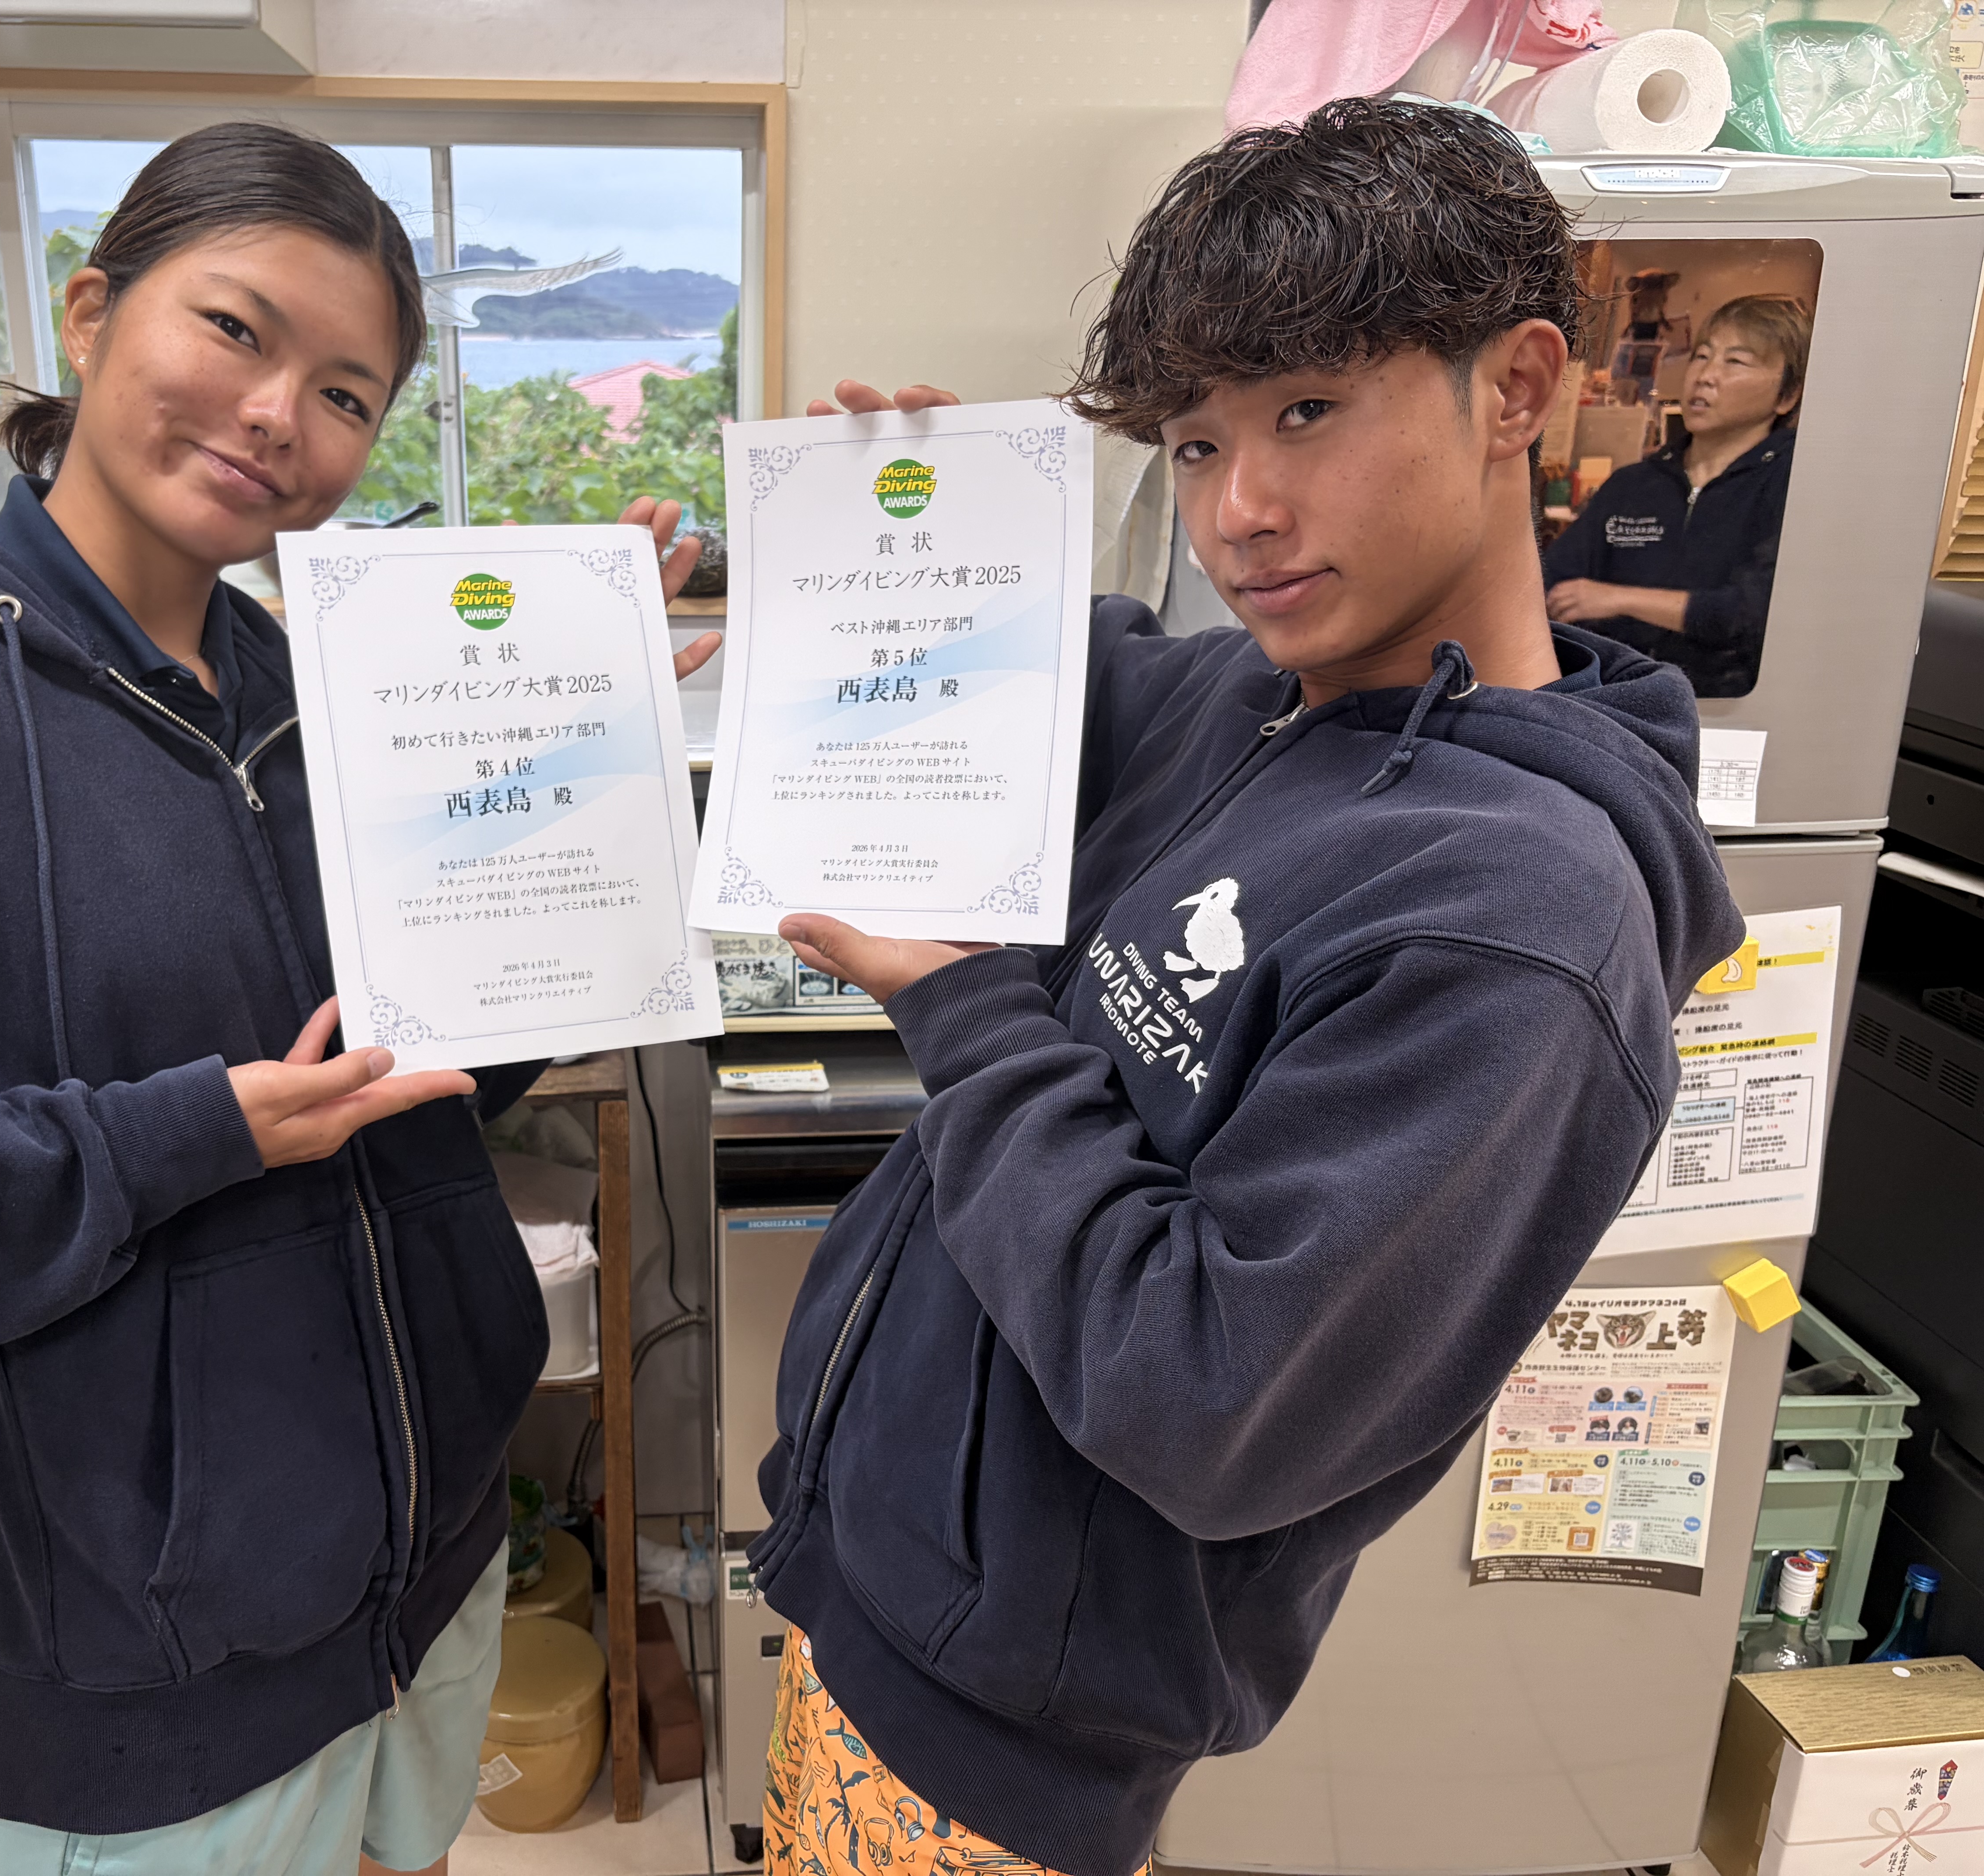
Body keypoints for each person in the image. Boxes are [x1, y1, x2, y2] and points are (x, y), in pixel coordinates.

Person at [0, 123, 717, 1876]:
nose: (278, 416)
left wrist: (579, 796)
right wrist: (179, 1138)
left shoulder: (316, 693)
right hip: (153, 1693)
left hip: (430, 1597)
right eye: (236, 330)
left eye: (346, 393)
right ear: (92, 314)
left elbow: (405, 1074)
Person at [745, 99, 1743, 1876]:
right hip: (876, 1589)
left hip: (1009, 1736)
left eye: (1307, 413)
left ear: (1515, 389)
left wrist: (963, 1007)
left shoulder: (1517, 916)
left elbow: (1209, 1398)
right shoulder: (1252, 702)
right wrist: (897, 560)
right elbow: (1043, 679)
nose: (1241, 512)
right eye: (1197, 442)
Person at [1543, 292, 1811, 696]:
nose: (1706, 376)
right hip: (1614, 704)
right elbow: (1555, 585)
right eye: (1702, 356)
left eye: (1735, 362)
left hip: (1727, 705)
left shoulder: (1794, 484)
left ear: (1787, 395)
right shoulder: (1633, 484)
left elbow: (1751, 614)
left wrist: (1620, 599)